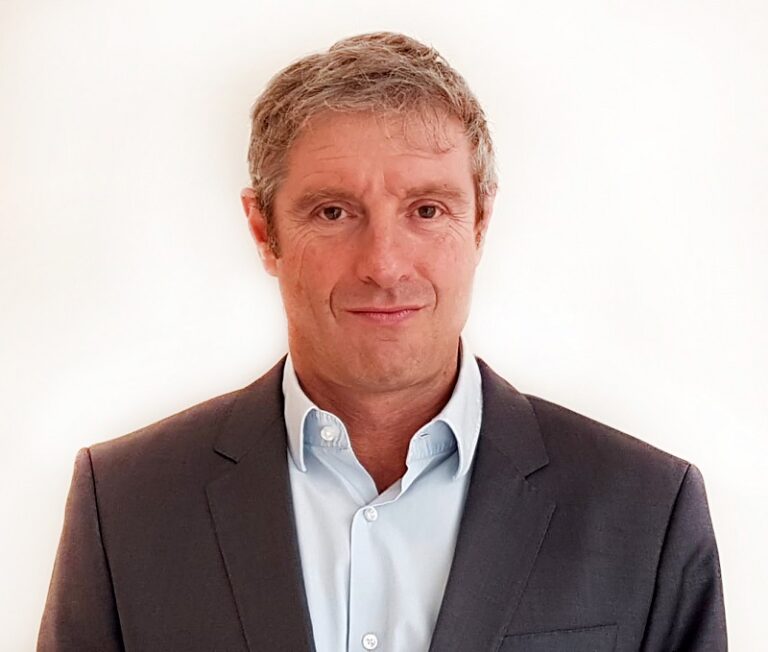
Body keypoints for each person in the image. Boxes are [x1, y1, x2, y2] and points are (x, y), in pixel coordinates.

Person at [37, 32, 726, 652]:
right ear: (264, 232)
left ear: (480, 223)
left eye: (427, 210)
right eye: (334, 212)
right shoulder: (125, 505)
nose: (385, 264)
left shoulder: (647, 511)